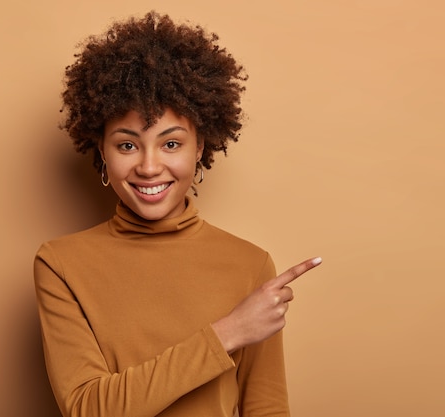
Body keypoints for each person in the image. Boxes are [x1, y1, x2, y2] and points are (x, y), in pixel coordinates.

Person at [34, 11, 322, 417]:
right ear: (101, 150)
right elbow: (87, 409)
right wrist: (227, 334)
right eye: (127, 145)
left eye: (171, 144)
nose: (149, 167)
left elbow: (267, 409)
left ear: (200, 147)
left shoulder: (250, 265)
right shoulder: (61, 264)